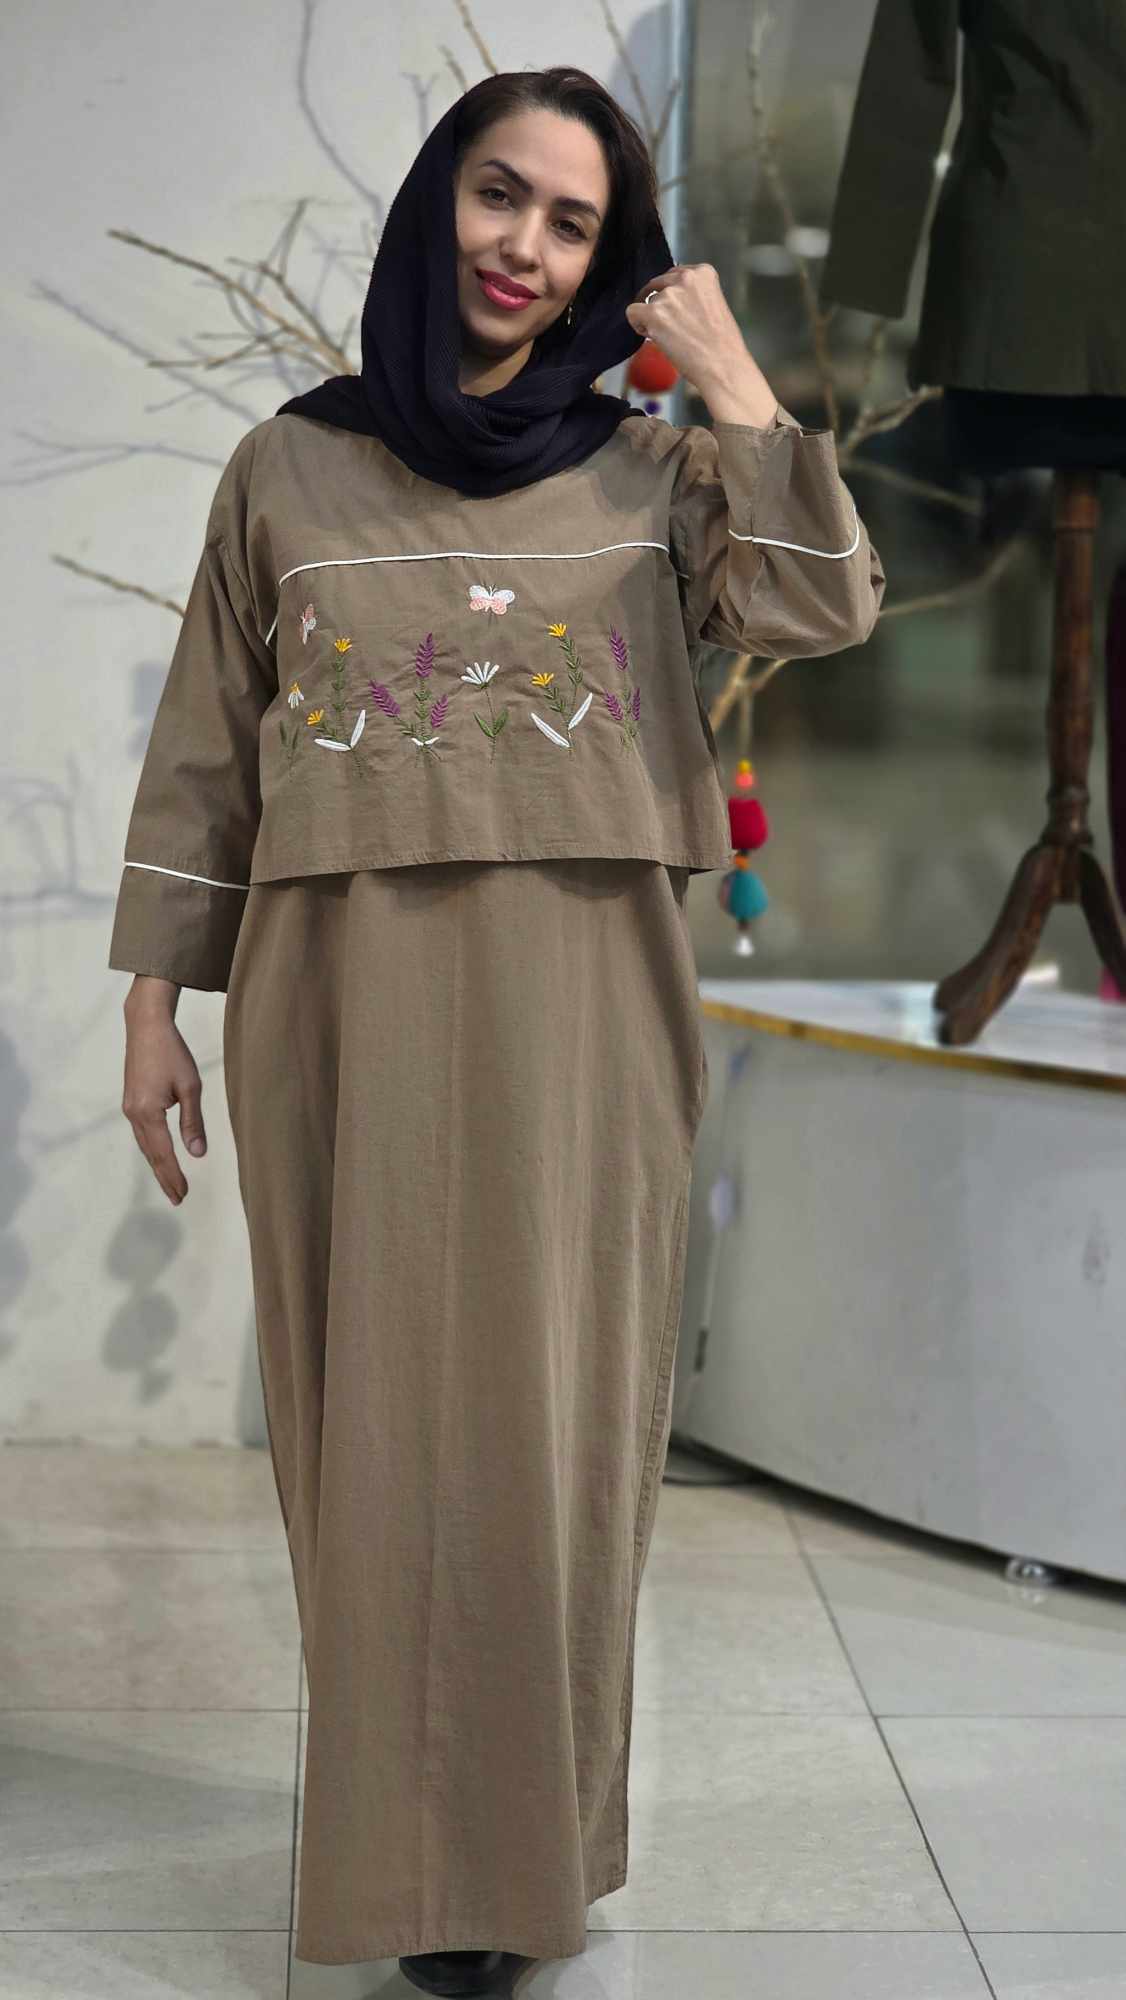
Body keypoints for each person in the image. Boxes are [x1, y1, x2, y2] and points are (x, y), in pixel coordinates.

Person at [109, 66, 885, 1995]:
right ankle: (402, 1868)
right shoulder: (286, 467)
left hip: (581, 996)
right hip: (336, 992)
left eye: (569, 221)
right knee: (365, 1431)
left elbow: (822, 608)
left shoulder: (661, 474)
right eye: (495, 194)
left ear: (611, 258)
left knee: (560, 1426)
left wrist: (734, 381)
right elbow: (209, 745)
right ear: (435, 201)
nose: (521, 246)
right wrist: (153, 1005)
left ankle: (521, 1871)